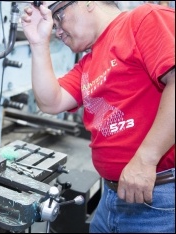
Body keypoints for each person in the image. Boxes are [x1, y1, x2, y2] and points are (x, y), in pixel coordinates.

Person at [21, 1, 175, 233]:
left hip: (156, 198)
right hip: (112, 197)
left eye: (58, 16)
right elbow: (50, 102)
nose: (57, 30)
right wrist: (38, 42)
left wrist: (146, 159)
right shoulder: (89, 63)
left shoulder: (143, 19)